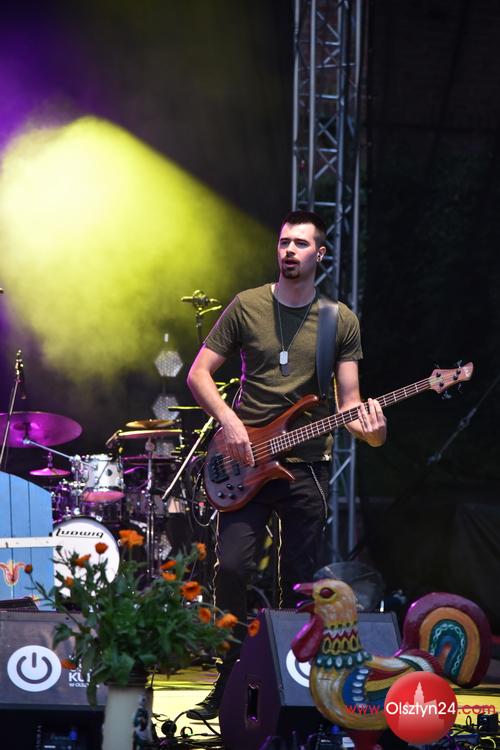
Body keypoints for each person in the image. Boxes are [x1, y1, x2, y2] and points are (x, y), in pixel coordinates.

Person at [185, 210, 387, 719]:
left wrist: (373, 432)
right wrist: (230, 423)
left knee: (299, 580)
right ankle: (229, 677)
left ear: (320, 254)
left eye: (300, 243)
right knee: (232, 568)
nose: (289, 251)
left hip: (306, 467)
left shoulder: (339, 320)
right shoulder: (247, 305)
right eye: (283, 242)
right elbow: (198, 375)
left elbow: (350, 404)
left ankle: (291, 685)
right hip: (243, 460)